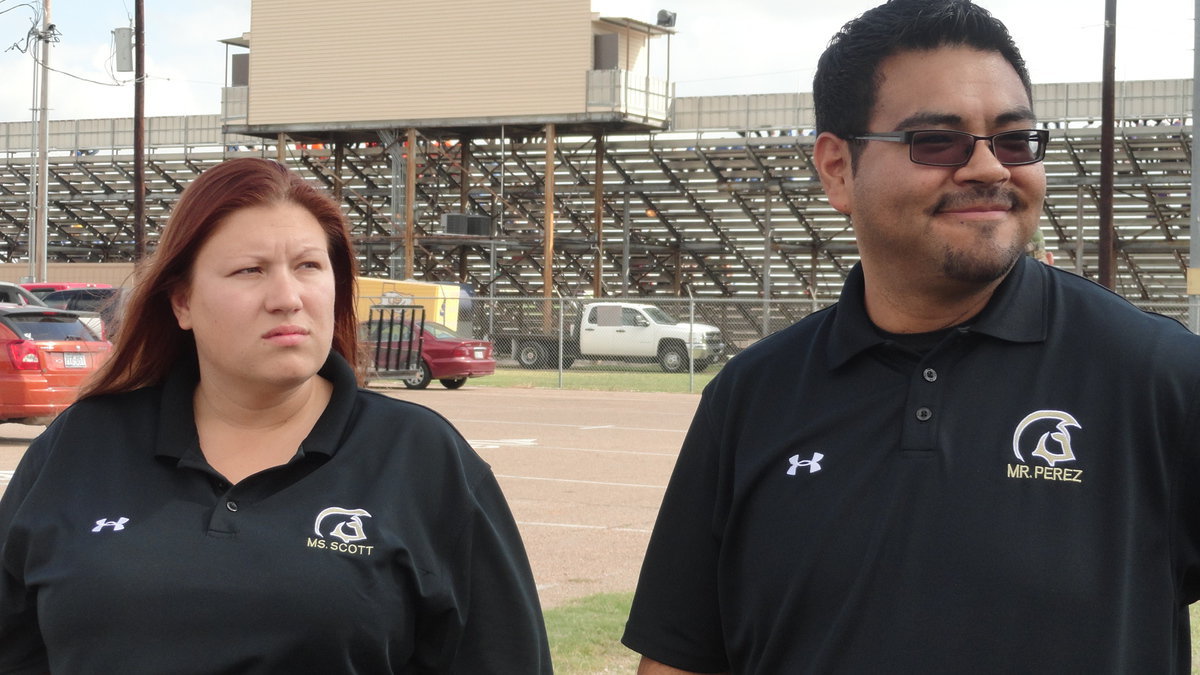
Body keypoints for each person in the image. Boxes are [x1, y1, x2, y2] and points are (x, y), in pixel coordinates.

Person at [622, 1, 1200, 673]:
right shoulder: (750, 396)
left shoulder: (1159, 375)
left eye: (1014, 140)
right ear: (838, 167)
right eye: (937, 140)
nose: (989, 168)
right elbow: (682, 657)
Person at [0, 157, 552, 673]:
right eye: (249, 271)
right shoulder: (81, 445)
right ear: (182, 302)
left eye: (309, 265)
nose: (287, 297)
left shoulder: (421, 457)